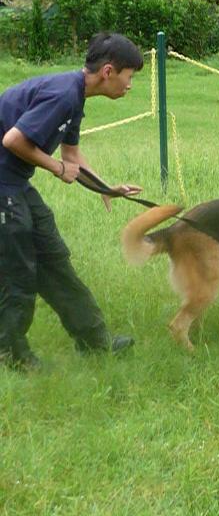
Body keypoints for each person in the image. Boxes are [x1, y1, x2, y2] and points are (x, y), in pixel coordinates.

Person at [0, 32, 144, 371]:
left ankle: (95, 341)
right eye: (129, 76)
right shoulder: (63, 95)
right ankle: (11, 354)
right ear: (109, 71)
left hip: (15, 183)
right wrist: (55, 168)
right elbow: (13, 140)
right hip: (3, 185)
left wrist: (104, 188)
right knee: (18, 271)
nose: (130, 85)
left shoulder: (76, 97)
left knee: (54, 259)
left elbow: (73, 156)